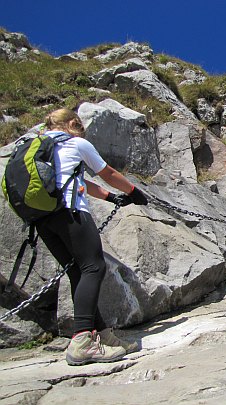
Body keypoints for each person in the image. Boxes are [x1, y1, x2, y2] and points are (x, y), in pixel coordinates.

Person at [35, 108, 148, 366]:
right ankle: (83, 341)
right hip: (71, 212)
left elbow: (80, 180)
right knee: (94, 267)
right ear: (73, 123)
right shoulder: (76, 143)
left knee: (78, 272)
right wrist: (133, 191)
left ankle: (103, 337)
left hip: (43, 219)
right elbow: (106, 173)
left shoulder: (44, 147)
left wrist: (110, 197)